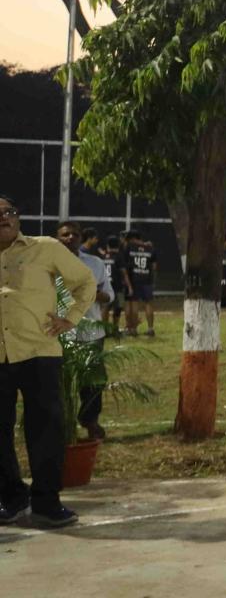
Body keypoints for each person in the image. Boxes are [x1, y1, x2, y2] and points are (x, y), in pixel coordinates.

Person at [0, 199, 97, 528]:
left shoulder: (45, 248)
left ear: (18, 218)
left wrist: (70, 318)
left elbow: (85, 282)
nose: (3, 218)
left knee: (44, 432)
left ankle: (46, 503)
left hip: (39, 353)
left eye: (9, 212)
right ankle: (12, 499)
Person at [55, 221, 115, 441]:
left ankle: (90, 421)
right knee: (59, 381)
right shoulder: (47, 264)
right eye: (65, 234)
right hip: (58, 333)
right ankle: (61, 426)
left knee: (93, 381)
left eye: (74, 234)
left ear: (81, 238)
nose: (70, 237)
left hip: (90, 332)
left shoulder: (95, 263)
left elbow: (109, 295)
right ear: (57, 238)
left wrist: (90, 293)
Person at [123, 230, 156, 336]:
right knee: (148, 303)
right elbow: (154, 266)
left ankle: (133, 330)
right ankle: (150, 329)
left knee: (134, 303)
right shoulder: (150, 247)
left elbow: (125, 263)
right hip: (147, 279)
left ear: (132, 239)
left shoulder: (129, 247)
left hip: (134, 279)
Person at [100, 236, 125, 338]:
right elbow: (123, 272)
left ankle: (104, 331)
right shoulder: (119, 256)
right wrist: (128, 285)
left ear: (108, 245)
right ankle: (115, 329)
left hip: (105, 286)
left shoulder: (103, 256)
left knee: (105, 308)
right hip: (117, 286)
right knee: (117, 308)